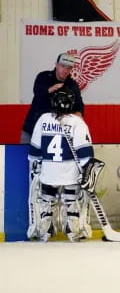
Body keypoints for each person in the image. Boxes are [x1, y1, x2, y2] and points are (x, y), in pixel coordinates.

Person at [27, 87, 92, 242]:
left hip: (48, 173)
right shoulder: (77, 122)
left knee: (46, 200)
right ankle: (72, 227)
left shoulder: (43, 119)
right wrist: (87, 171)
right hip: (71, 174)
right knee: (72, 200)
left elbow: (34, 151)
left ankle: (46, 226)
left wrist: (37, 165)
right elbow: (85, 153)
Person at [21, 53, 84, 144]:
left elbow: (79, 104)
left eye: (69, 68)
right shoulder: (43, 76)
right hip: (32, 129)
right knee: (25, 156)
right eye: (62, 66)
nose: (65, 70)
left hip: (55, 133)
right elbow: (37, 92)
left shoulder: (72, 85)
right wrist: (51, 89)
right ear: (56, 65)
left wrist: (79, 113)